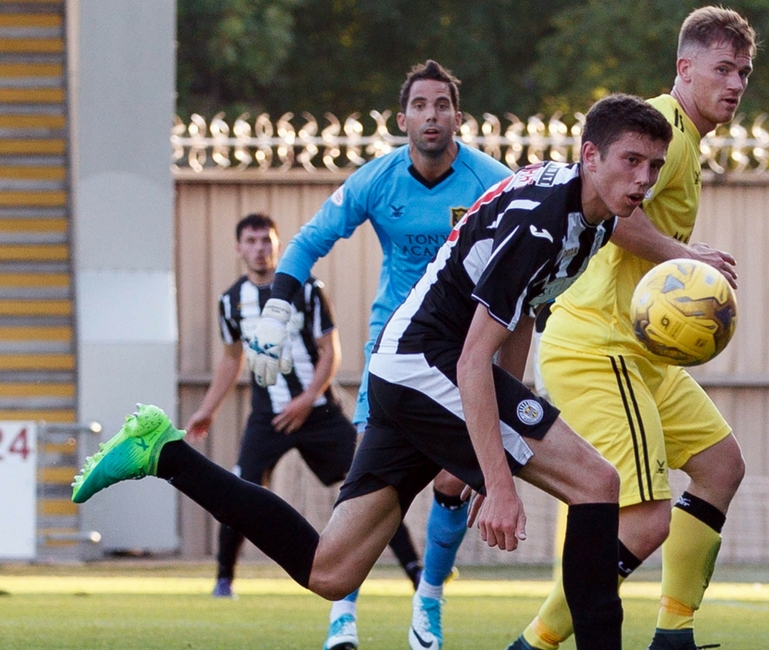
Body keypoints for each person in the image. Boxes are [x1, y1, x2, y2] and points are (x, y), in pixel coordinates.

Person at [70, 92, 674, 650]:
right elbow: (470, 360)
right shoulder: (543, 224)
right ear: (590, 156)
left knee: (330, 571)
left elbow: (513, 325)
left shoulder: (590, 217)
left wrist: (486, 445)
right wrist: (498, 479)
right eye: (632, 161)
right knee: (598, 483)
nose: (643, 179)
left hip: (406, 373)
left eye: (654, 165)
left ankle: (163, 454)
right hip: (426, 367)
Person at [508, 8, 755, 650]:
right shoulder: (661, 128)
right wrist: (689, 256)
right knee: (643, 523)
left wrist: (683, 253)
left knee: (721, 465)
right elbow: (606, 211)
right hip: (599, 346)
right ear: (685, 68)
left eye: (744, 73)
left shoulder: (686, 141)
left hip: (642, 354)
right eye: (722, 68)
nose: (734, 83)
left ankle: (674, 634)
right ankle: (535, 643)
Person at [260, 60, 513, 650]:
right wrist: (275, 313)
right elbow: (306, 243)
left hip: (465, 351)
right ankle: (342, 613)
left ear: (458, 116)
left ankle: (428, 600)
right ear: (402, 119)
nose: (431, 116)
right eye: (420, 106)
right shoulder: (377, 179)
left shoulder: (493, 182)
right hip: (394, 351)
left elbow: (527, 253)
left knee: (453, 480)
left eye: (441, 105)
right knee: (369, 481)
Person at [184, 213, 381, 600]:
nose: (260, 249)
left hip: (319, 410)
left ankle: (415, 573)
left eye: (266, 241)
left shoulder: (306, 289)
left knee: (369, 478)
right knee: (240, 486)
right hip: (268, 415)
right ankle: (224, 579)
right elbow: (231, 359)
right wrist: (208, 408)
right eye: (251, 241)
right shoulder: (231, 301)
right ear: (239, 248)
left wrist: (307, 398)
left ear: (278, 244)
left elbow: (331, 351)